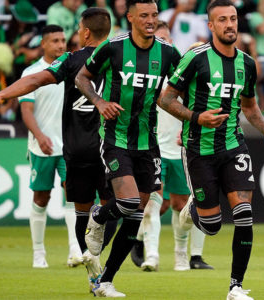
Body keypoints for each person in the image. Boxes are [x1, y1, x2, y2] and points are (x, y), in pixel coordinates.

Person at [0, 8, 117, 292]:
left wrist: (1, 94)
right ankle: (95, 261)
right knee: (117, 205)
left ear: (84, 32)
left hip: (75, 148)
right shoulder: (121, 56)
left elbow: (35, 80)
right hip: (111, 147)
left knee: (81, 211)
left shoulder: (71, 60)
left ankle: (91, 265)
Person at [159, 0, 264, 299]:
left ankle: (235, 287)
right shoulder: (195, 59)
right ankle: (193, 209)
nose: (230, 24)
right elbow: (166, 99)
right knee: (211, 225)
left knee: (243, 213)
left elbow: (249, 105)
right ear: (211, 26)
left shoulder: (247, 63)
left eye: (233, 18)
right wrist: (196, 117)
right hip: (198, 148)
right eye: (222, 20)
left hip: (232, 145)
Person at [75, 0, 181, 297]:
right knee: (129, 203)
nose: (150, 20)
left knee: (136, 214)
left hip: (149, 142)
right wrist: (100, 102)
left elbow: (186, 83)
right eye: (144, 15)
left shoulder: (168, 52)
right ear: (130, 17)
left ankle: (104, 281)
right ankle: (97, 217)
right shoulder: (113, 47)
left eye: (154, 15)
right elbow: (82, 77)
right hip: (115, 138)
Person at [131, 24, 213, 272]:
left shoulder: (186, 75)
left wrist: (189, 128)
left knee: (183, 206)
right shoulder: (149, 74)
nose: (162, 44)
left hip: (182, 149)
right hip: (154, 148)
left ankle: (183, 256)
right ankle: (152, 256)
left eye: (166, 39)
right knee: (152, 203)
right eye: (158, 39)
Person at [19, 25, 82, 269]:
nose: (60, 45)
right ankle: (38, 253)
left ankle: (75, 250)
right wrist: (39, 135)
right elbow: (26, 111)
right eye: (54, 40)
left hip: (69, 146)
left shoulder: (74, 69)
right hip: (41, 146)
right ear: (43, 44)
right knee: (41, 197)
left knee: (73, 195)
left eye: (63, 40)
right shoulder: (32, 72)